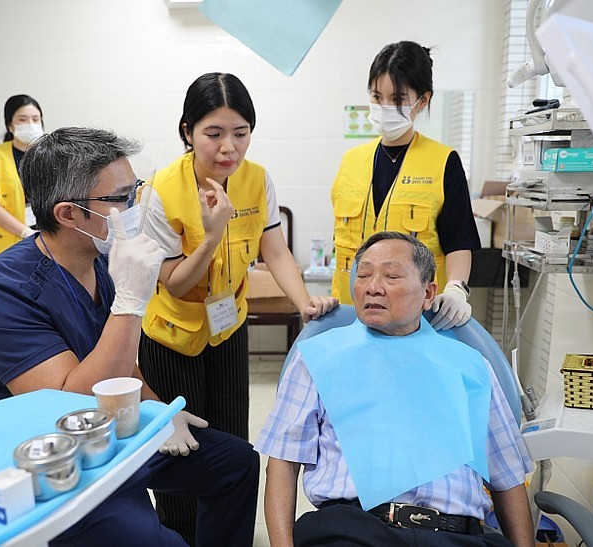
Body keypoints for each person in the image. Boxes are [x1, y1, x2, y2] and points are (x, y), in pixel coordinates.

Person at [0, 127, 259, 546]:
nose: (134, 206)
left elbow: (122, 364)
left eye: (134, 189)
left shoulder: (100, 260)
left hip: (106, 430)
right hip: (48, 461)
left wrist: (159, 411)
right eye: (120, 198)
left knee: (236, 463)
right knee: (155, 538)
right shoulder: (4, 292)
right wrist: (132, 301)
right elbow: (66, 403)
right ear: (68, 214)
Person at [140, 72, 337, 543]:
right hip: (172, 337)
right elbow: (176, 282)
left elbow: (275, 250)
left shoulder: (256, 180)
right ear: (187, 131)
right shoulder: (160, 191)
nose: (229, 147)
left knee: (231, 447)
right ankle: (182, 538)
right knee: (182, 453)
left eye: (241, 132)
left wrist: (304, 302)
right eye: (213, 133)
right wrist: (211, 235)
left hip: (227, 331)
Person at [258, 231, 535, 547]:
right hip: (354, 531)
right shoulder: (319, 358)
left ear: (428, 293)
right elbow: (282, 462)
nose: (373, 287)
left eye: (391, 276)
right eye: (363, 275)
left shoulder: (470, 366)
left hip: (456, 535)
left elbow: (508, 478)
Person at [330, 41, 481, 330]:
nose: (385, 107)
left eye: (397, 99)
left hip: (415, 319)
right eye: (377, 96)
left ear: (422, 100)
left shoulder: (442, 161)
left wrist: (456, 288)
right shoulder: (351, 162)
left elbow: (459, 240)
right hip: (352, 315)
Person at [0, 94, 44, 256]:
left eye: (35, 119)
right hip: (11, 243)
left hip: (49, 240)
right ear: (10, 125)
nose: (30, 124)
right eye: (22, 120)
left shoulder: (51, 154)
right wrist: (25, 232)